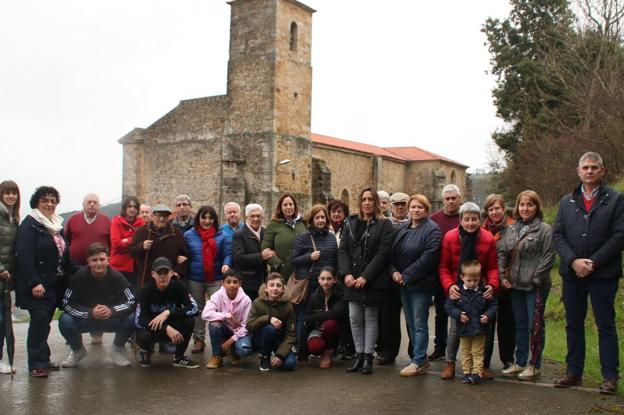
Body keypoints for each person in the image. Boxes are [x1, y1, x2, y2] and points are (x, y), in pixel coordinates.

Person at [553, 152, 624, 395]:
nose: (590, 171)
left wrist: (592, 262)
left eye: (594, 167)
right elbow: (558, 235)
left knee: (605, 325)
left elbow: (619, 236)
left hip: (603, 274)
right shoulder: (566, 202)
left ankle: (610, 377)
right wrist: (573, 261)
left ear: (602, 171)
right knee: (573, 325)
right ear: (578, 171)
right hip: (572, 274)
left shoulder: (616, 200)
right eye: (586, 167)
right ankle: (573, 371)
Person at [14, 186, 76, 377]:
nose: (49, 204)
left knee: (45, 322)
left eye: (53, 201)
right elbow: (24, 256)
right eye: (45, 200)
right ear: (36, 203)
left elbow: (64, 256)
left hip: (53, 284)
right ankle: (36, 364)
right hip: (37, 285)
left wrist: (83, 270)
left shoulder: (56, 225)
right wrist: (34, 282)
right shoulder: (29, 225)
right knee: (39, 320)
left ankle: (43, 359)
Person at [498, 190, 554, 381]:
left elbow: (549, 256)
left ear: (537, 207)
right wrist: (501, 275)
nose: (525, 208)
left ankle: (534, 364)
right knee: (520, 325)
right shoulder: (512, 228)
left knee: (535, 326)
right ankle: (520, 362)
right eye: (522, 204)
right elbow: (503, 253)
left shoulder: (545, 230)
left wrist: (536, 279)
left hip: (534, 286)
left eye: (529, 204)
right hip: (515, 285)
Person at [438, 201, 499, 379]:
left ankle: (482, 366)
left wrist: (492, 285)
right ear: (460, 220)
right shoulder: (450, 237)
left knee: (483, 328)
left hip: (480, 290)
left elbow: (493, 267)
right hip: (458, 288)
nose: (470, 223)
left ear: (479, 220)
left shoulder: (488, 239)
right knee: (456, 329)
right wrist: (449, 286)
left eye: (474, 219)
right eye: (467, 219)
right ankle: (450, 363)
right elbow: (443, 266)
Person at [339, 186, 394, 375]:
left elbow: (383, 253)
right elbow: (343, 250)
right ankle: (359, 355)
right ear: (360, 202)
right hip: (351, 279)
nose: (367, 203)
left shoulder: (385, 224)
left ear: (376, 202)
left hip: (373, 280)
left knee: (370, 318)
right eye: (364, 199)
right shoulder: (351, 222)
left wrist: (365, 277)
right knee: (354, 318)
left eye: (371, 199)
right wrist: (346, 273)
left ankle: (368, 357)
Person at [58, 243, 136, 368]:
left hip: (111, 319)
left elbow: (132, 301)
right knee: (65, 320)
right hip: (86, 320)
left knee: (133, 318)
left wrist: (112, 311)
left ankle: (117, 350)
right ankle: (78, 351)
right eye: (94, 260)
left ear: (108, 260)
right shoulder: (79, 277)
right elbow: (67, 303)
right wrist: (90, 313)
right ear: (88, 261)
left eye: (102, 259)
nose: (98, 263)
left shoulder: (117, 277)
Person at [390, 194, 442, 376]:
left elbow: (429, 257)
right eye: (413, 207)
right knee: (411, 322)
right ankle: (419, 357)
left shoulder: (433, 230)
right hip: (403, 283)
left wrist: (406, 275)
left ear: (426, 210)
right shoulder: (403, 228)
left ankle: (419, 360)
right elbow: (392, 253)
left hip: (421, 285)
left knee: (420, 323)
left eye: (420, 207)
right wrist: (394, 271)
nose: (416, 210)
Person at [184, 205, 232, 354]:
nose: (207, 221)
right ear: (198, 218)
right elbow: (184, 252)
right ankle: (199, 340)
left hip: (216, 278)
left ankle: (221, 340)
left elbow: (227, 253)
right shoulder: (189, 235)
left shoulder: (222, 235)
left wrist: (226, 264)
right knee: (197, 309)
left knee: (218, 309)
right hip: (195, 278)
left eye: (210, 218)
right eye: (204, 217)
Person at [135, 257, 199, 369]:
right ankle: (145, 350)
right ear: (153, 274)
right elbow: (139, 321)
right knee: (141, 333)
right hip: (154, 330)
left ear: (172, 273)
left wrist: (169, 312)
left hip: (174, 328)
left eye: (166, 272)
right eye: (159, 273)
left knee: (189, 321)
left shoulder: (180, 286)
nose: (163, 276)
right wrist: (165, 328)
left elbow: (194, 309)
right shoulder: (145, 290)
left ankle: (179, 357)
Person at [445, 260, 498, 385]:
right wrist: (458, 315)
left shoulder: (484, 291)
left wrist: (488, 316)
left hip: (480, 329)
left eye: (475, 280)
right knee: (465, 352)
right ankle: (467, 373)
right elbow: (448, 306)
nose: (472, 283)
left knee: (478, 352)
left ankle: (477, 373)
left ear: (479, 278)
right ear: (462, 277)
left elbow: (494, 305)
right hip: (463, 329)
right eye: (469, 281)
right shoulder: (457, 292)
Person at [291, 204, 338, 339]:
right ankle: (301, 345)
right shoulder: (303, 237)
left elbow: (335, 259)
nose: (320, 220)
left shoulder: (330, 237)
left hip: (328, 285)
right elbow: (293, 260)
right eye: (317, 217)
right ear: (311, 220)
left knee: (325, 315)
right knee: (304, 315)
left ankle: (320, 345)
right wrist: (309, 257)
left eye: (323, 217)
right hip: (309, 284)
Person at [481, 193, 515, 378]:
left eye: (497, 208)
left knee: (507, 324)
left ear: (504, 209)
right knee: (486, 323)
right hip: (487, 284)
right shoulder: (481, 229)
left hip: (507, 283)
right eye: (491, 209)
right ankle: (484, 361)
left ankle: (507, 359)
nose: (494, 212)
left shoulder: (513, 228)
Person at [429, 184, 462, 361]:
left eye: (453, 198)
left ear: (459, 198)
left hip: (462, 275)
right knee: (441, 313)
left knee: (460, 314)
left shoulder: (466, 217)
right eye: (447, 198)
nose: (450, 201)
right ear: (443, 200)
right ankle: (440, 347)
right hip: (440, 275)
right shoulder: (434, 219)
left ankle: (460, 350)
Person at [377, 191, 410, 365]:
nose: (399, 207)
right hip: (389, 278)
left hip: (410, 278)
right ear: (391, 206)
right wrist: (392, 271)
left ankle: (416, 355)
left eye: (403, 204)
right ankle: (388, 352)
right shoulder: (384, 224)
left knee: (413, 320)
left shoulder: (415, 224)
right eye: (396, 204)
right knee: (388, 319)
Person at [129, 204, 190, 289]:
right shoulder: (141, 232)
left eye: (165, 216)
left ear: (169, 217)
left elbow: (186, 256)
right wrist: (141, 246)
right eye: (159, 216)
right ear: (153, 216)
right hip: (146, 281)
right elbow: (131, 251)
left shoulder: (177, 234)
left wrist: (177, 272)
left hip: (170, 282)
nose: (162, 219)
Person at [202, 269, 252, 368]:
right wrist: (227, 315)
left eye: (235, 282)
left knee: (244, 349)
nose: (232, 285)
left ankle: (235, 352)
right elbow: (205, 314)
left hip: (239, 332)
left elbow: (246, 326)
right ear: (223, 283)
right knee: (214, 324)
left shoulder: (246, 300)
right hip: (224, 329)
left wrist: (231, 341)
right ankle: (217, 356)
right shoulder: (217, 296)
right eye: (228, 282)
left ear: (240, 283)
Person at [247, 272, 297, 372]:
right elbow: (249, 326)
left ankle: (275, 355)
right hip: (260, 338)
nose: (275, 288)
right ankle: (264, 356)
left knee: (290, 364)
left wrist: (280, 355)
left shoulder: (288, 306)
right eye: (271, 285)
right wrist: (268, 318)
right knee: (269, 328)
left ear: (283, 289)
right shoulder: (257, 303)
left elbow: (291, 334)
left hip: (279, 341)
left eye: (278, 286)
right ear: (266, 288)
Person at [298, 266, 346, 369]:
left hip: (335, 331)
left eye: (329, 279)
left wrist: (313, 318)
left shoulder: (340, 294)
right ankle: (322, 352)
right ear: (319, 279)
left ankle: (328, 354)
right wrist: (302, 354)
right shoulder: (314, 297)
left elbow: (336, 313)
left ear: (335, 280)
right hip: (318, 329)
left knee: (330, 324)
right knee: (315, 347)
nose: (326, 282)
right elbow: (306, 323)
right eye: (323, 279)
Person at [232, 204, 273, 301]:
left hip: (263, 280)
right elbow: (238, 258)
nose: (255, 219)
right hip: (247, 282)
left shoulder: (266, 232)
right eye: (252, 216)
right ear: (246, 217)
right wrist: (261, 256)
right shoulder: (239, 234)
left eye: (258, 216)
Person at [261, 193, 305, 280]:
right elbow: (265, 249)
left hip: (301, 271)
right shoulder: (273, 225)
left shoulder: (302, 223)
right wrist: (279, 264)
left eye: (291, 204)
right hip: (281, 274)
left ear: (294, 206)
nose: (288, 207)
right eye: (285, 205)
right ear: (280, 208)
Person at [0, 180, 20, 374]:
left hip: (6, 280)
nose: (11, 196)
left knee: (2, 319)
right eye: (7, 193)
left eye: (14, 193)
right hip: (2, 275)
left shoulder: (12, 218)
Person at [64, 193, 111, 267]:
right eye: (89, 202)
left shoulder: (106, 221)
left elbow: (111, 244)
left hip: (99, 267)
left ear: (99, 206)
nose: (92, 204)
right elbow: (66, 242)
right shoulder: (73, 219)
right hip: (74, 267)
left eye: (95, 202)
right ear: (83, 204)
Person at [109, 196, 145, 288]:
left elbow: (143, 242)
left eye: (135, 207)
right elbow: (116, 244)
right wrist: (135, 241)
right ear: (125, 208)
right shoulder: (116, 222)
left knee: (133, 294)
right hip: (119, 267)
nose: (132, 209)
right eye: (130, 206)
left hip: (135, 267)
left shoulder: (141, 223)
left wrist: (126, 240)